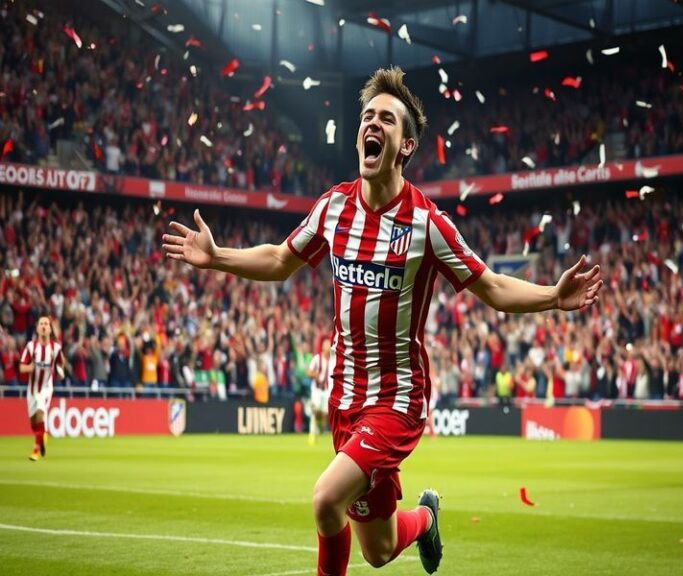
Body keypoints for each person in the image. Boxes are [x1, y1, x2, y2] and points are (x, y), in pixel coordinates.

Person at [162, 66, 603, 576]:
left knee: (325, 500)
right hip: (344, 400)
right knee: (378, 549)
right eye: (367, 115)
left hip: (397, 400)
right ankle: (426, 519)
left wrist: (552, 295)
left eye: (387, 120)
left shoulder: (427, 224)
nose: (372, 123)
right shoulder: (332, 208)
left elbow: (494, 287)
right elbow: (280, 260)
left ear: (406, 145)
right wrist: (217, 258)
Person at [18, 316, 64, 461]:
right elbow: (21, 367)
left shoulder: (55, 348)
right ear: (37, 328)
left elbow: (60, 364)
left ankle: (35, 451)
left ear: (50, 329)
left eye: (46, 324)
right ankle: (42, 436)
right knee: (34, 424)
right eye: (41, 324)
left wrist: (60, 372)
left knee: (40, 413)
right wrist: (29, 367)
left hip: (45, 388)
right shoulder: (31, 347)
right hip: (32, 389)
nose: (44, 326)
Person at [307, 337, 332, 445]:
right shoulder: (317, 358)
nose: (328, 347)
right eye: (326, 345)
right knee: (315, 411)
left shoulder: (332, 360)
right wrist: (315, 374)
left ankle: (321, 427)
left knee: (326, 412)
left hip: (327, 390)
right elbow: (309, 372)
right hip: (317, 389)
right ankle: (312, 434)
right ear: (322, 346)